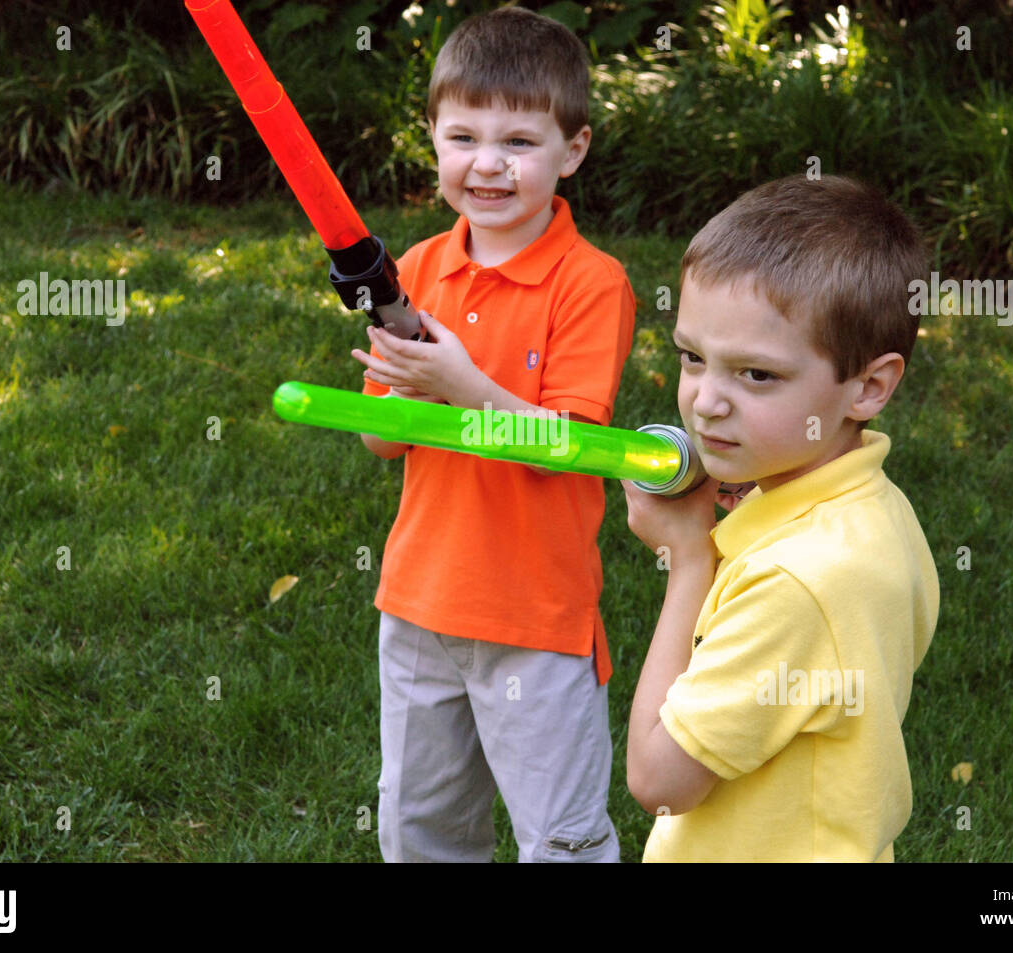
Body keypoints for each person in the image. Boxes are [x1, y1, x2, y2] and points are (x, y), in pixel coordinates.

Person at [350, 6, 635, 863]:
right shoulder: (417, 269)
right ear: (433, 140)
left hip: (537, 617)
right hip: (418, 604)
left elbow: (570, 448)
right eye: (463, 136)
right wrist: (407, 392)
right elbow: (383, 442)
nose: (487, 164)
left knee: (561, 839)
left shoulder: (593, 284)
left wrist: (465, 387)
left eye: (518, 141)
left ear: (571, 150)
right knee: (420, 826)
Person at [622, 174, 939, 861]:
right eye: (693, 357)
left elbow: (660, 779)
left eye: (756, 375)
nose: (706, 402)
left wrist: (688, 560)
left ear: (870, 386)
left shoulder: (797, 580)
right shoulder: (870, 508)